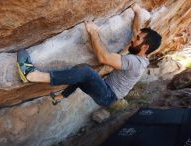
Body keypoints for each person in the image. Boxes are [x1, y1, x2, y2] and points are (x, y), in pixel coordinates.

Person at [17, 4, 162, 106]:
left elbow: (103, 57)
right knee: (82, 69)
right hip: (106, 89)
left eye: (137, 39)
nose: (133, 38)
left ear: (145, 47)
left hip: (107, 96)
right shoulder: (142, 55)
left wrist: (93, 32)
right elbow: (137, 31)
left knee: (86, 73)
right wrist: (137, 12)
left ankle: (32, 75)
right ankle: (61, 96)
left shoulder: (134, 62)